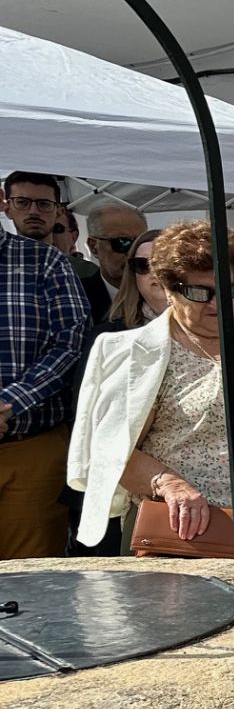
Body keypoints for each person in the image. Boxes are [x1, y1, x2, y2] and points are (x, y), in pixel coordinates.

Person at [66, 222, 234, 564]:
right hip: (190, 544)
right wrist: (169, 484)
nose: (217, 303)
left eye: (227, 288)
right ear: (167, 288)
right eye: (200, 292)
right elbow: (110, 452)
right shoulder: (139, 356)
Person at [0, 172, 90, 559]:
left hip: (30, 445)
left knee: (32, 576)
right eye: (24, 202)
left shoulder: (45, 260)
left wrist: (7, 403)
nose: (32, 210)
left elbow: (70, 342)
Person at [84, 204, 146, 291]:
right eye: (122, 243)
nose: (133, 252)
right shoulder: (78, 295)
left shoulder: (165, 292)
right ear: (94, 246)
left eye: (140, 243)